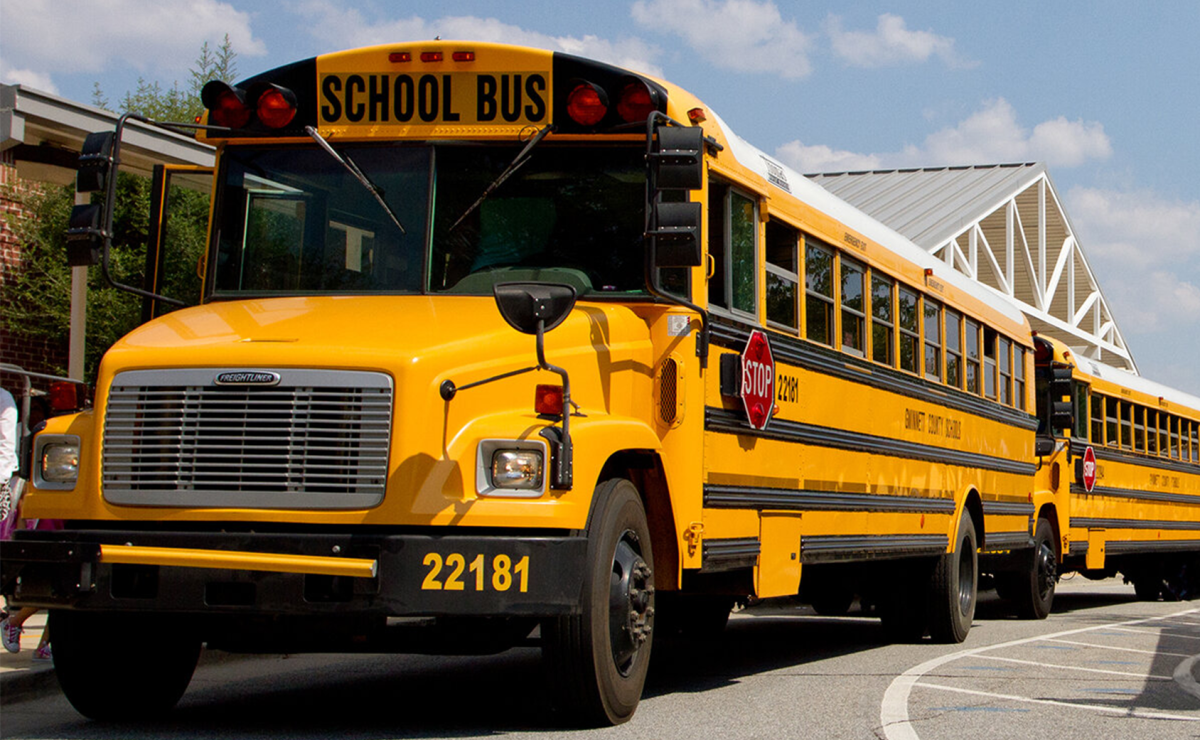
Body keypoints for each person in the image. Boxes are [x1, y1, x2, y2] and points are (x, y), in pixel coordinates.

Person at [0, 385, 52, 661]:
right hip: (46, 517)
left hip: (57, 516)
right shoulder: (32, 433)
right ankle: (14, 623)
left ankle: (44, 642)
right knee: (52, 583)